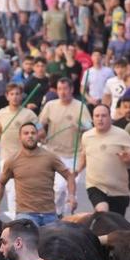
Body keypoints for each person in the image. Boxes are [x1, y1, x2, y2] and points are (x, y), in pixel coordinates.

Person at [0, 122, 76, 226]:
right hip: (25, 214)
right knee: (26, 235)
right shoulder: (12, 160)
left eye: (33, 133)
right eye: (26, 133)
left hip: (49, 214)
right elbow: (1, 183)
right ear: (20, 137)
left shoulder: (50, 157)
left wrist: (72, 196)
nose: (30, 136)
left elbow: (69, 175)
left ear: (38, 136)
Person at [38, 77, 92, 217]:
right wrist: (40, 134)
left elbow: (89, 127)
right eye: (59, 89)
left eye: (65, 89)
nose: (62, 92)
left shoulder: (80, 107)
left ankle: (68, 217)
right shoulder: (50, 105)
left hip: (74, 154)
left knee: (69, 190)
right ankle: (58, 214)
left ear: (71, 89)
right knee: (58, 187)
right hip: (54, 153)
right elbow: (39, 124)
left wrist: (81, 126)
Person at [76, 104, 130, 214]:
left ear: (110, 117)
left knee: (116, 221)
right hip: (95, 185)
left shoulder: (122, 134)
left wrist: (128, 159)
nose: (100, 119)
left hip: (118, 189)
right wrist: (77, 170)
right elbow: (84, 155)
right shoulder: (86, 136)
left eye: (104, 116)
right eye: (97, 116)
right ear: (92, 118)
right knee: (102, 210)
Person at [0, 83, 40, 216]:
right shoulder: (1, 114)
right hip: (6, 156)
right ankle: (14, 217)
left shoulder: (29, 114)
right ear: (7, 96)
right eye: (12, 94)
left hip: (26, 156)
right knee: (11, 189)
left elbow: (40, 131)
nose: (15, 97)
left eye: (17, 94)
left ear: (22, 96)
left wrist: (40, 137)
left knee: (26, 188)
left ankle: (28, 213)